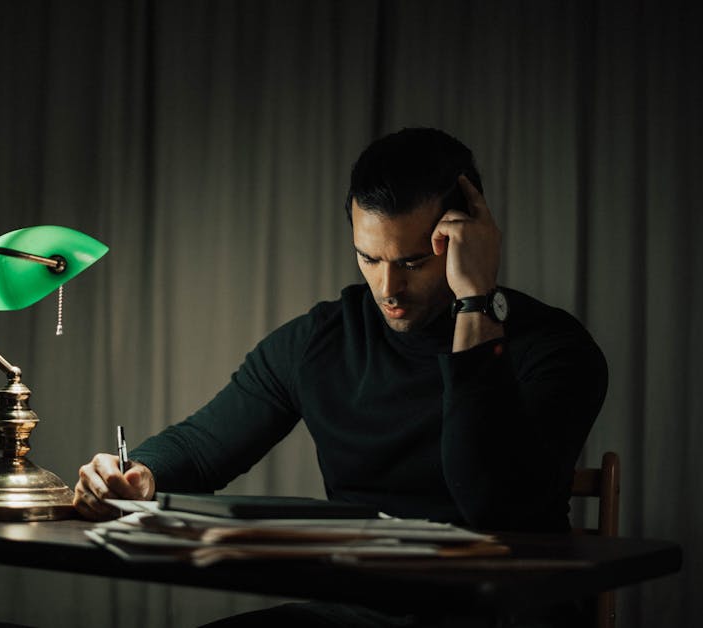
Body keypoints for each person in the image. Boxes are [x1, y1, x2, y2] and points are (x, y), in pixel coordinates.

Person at [74, 127, 606, 626]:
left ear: (470, 235)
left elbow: (495, 503)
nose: (388, 287)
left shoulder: (555, 350)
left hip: (505, 614)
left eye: (415, 262)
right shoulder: (322, 340)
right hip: (364, 611)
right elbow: (201, 446)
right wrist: (138, 472)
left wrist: (474, 302)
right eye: (369, 258)